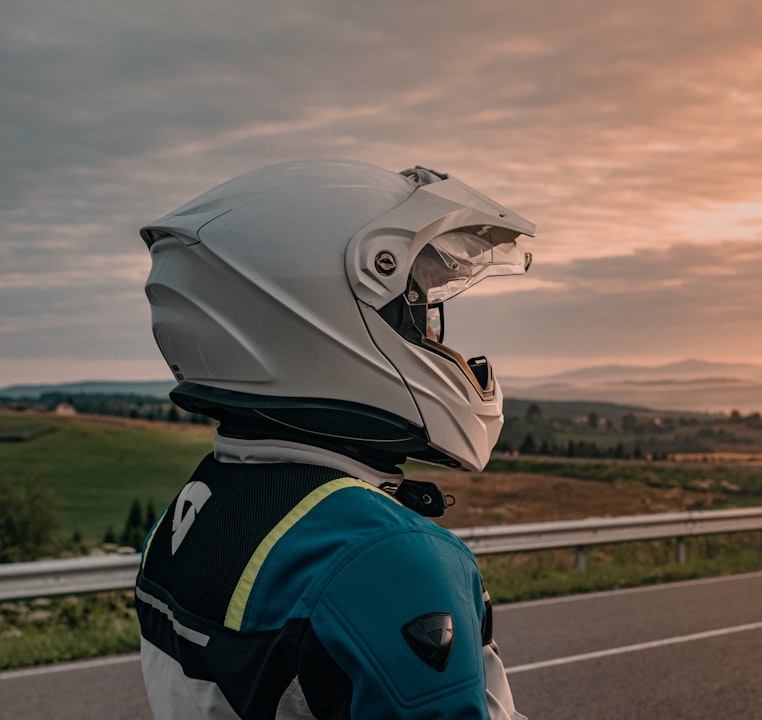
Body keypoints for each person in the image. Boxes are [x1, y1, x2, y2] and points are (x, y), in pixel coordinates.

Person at [135, 160, 534, 719]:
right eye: (417, 314)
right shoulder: (379, 556)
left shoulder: (197, 507)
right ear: (333, 313)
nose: (435, 341)